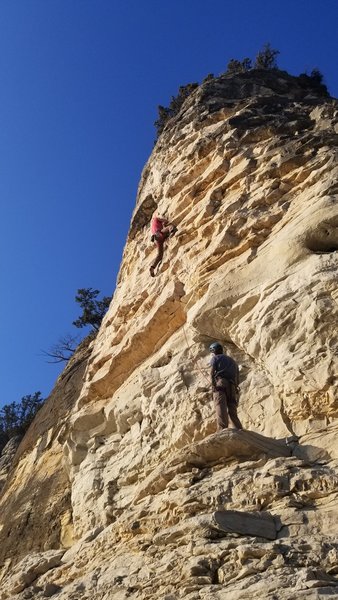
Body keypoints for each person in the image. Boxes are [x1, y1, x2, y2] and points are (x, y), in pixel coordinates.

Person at [209, 342, 243, 431]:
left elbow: (212, 372)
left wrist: (213, 385)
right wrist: (235, 388)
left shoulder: (215, 358)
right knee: (232, 408)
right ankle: (238, 429)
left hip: (221, 383)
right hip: (232, 386)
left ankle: (222, 429)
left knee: (220, 405)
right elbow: (237, 377)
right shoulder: (233, 361)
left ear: (213, 351)